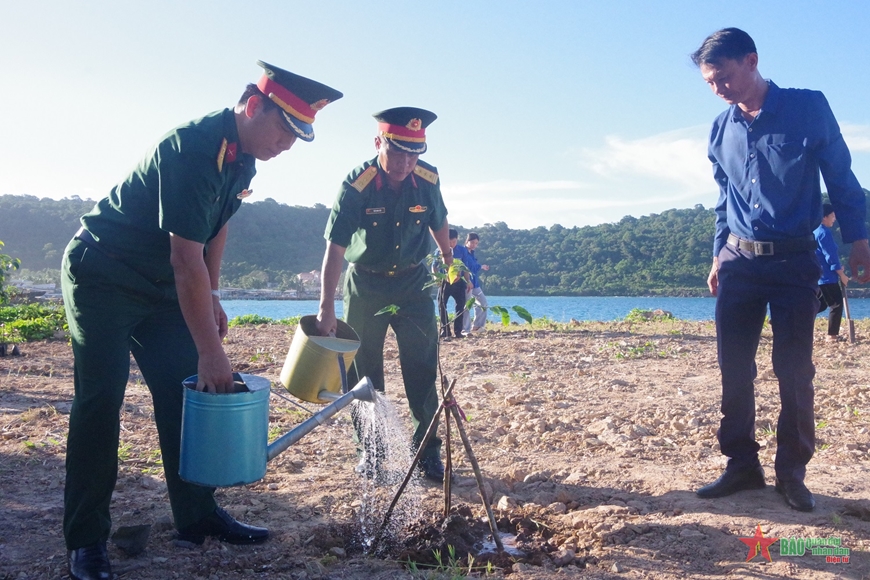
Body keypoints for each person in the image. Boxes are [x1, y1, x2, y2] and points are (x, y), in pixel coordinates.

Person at [61, 62, 341, 580]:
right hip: (103, 274)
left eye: (299, 136)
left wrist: (213, 294)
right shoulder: (193, 148)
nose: (288, 144)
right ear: (253, 105)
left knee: (186, 393)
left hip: (163, 285)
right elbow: (183, 258)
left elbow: (216, 232)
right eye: (285, 128)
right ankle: (85, 540)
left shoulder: (244, 159)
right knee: (101, 399)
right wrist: (212, 350)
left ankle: (196, 516)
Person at [691, 28, 870, 513]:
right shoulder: (719, 128)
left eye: (723, 77)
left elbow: (841, 174)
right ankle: (741, 465)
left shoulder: (807, 107)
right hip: (738, 262)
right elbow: (724, 201)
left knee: (793, 371)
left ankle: (792, 472)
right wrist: (716, 255)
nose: (718, 89)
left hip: (795, 261)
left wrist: (859, 238)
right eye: (709, 83)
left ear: (751, 60)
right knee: (733, 367)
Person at [316, 107, 453, 482]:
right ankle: (372, 452)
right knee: (365, 373)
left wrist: (448, 258)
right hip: (367, 286)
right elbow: (335, 249)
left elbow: (439, 221)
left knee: (422, 367)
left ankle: (427, 452)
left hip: (414, 284)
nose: (406, 163)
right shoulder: (357, 185)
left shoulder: (427, 180)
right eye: (398, 152)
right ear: (379, 143)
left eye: (414, 154)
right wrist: (326, 307)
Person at [814, 203, 850, 343]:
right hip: (827, 277)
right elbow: (831, 257)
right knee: (836, 304)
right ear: (824, 217)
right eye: (832, 216)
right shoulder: (823, 233)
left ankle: (787, 319)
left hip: (818, 276)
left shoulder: (815, 231)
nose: (834, 219)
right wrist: (842, 275)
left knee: (819, 305)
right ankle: (832, 335)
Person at [435, 229, 472, 340]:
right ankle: (445, 330)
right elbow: (434, 265)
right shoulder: (439, 250)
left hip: (458, 282)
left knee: (460, 306)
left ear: (457, 240)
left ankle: (458, 331)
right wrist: (436, 277)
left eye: (454, 241)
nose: (452, 244)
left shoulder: (462, 250)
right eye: (449, 241)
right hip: (444, 282)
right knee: (441, 305)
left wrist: (468, 281)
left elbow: (465, 267)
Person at [461, 232, 490, 333]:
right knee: (467, 306)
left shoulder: (472, 254)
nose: (474, 245)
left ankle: (477, 326)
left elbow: (473, 267)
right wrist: (480, 266)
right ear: (467, 241)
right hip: (466, 283)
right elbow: (468, 267)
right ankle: (465, 329)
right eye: (472, 242)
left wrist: (481, 266)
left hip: (475, 283)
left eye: (476, 243)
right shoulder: (463, 252)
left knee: (483, 303)